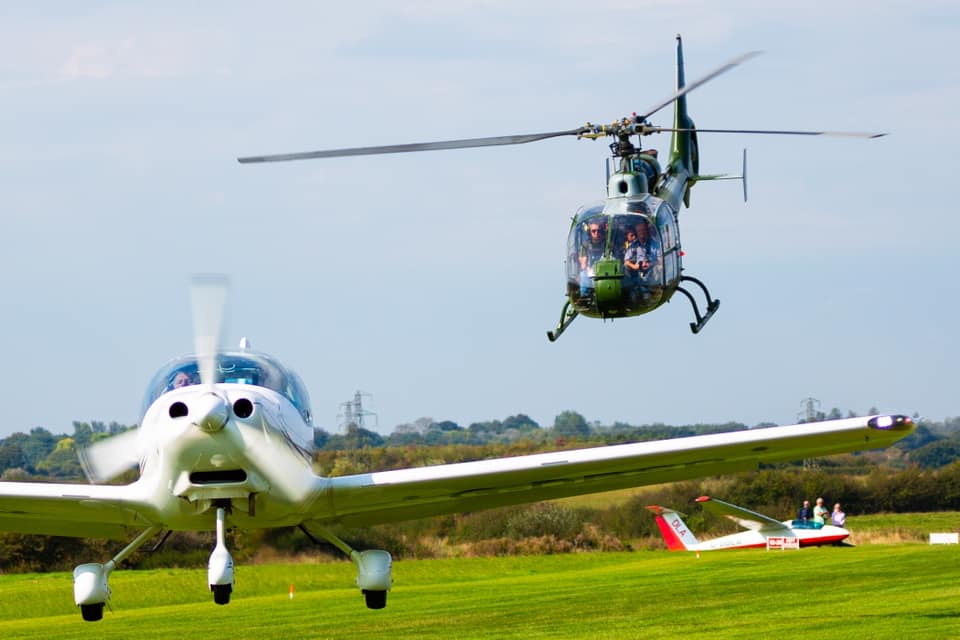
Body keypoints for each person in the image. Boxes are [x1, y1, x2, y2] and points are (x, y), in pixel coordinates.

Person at [578, 221, 605, 297]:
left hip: (606, 273)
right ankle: (584, 297)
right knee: (583, 275)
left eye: (599, 231)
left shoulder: (607, 245)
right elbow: (583, 264)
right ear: (590, 232)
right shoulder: (585, 246)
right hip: (591, 273)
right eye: (594, 231)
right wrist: (589, 270)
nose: (596, 233)